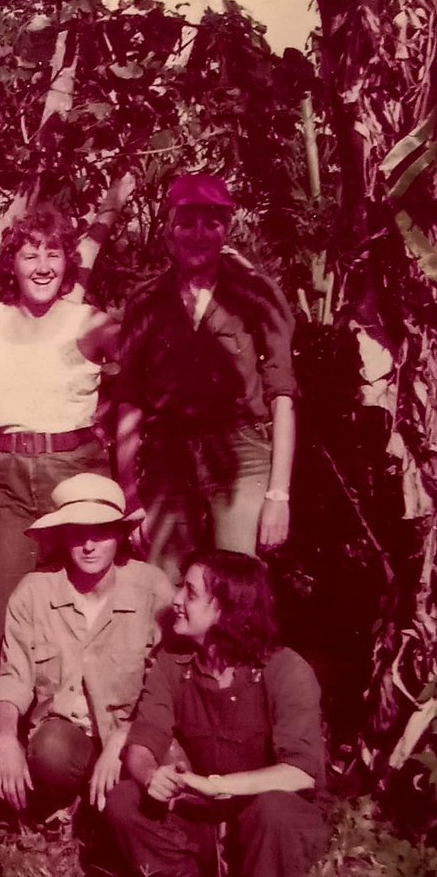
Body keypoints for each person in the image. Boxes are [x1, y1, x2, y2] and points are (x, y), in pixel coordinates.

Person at [105, 551, 326, 877]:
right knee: (124, 800)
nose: (175, 600)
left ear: (228, 609)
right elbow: (142, 741)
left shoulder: (285, 670)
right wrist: (150, 774)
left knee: (276, 809)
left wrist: (217, 784)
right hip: (200, 817)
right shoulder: (173, 664)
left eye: (190, 592)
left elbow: (302, 771)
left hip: (260, 824)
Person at [115, 174, 297, 582]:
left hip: (242, 452)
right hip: (167, 456)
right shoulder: (146, 301)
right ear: (168, 229)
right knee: (161, 585)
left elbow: (282, 395)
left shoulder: (257, 295)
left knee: (237, 584)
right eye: (187, 222)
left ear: (226, 230)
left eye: (211, 223)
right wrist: (129, 494)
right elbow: (129, 400)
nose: (198, 234)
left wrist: (277, 495)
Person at [0, 205, 118, 649]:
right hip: (4, 479)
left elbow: (145, 384)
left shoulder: (91, 322)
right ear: (12, 263)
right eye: (30, 255)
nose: (43, 267)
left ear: (68, 260)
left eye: (53, 253)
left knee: (76, 607)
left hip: (75, 474)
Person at [0, 474, 173, 818]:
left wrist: (122, 738)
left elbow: (165, 690)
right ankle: (65, 803)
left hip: (132, 735)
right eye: (77, 533)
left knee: (161, 778)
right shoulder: (34, 592)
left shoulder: (152, 588)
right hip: (66, 733)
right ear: (61, 537)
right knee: (50, 749)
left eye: (101, 532)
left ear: (120, 534)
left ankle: (100, 812)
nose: (88, 546)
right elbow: (13, 677)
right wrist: (6, 740)